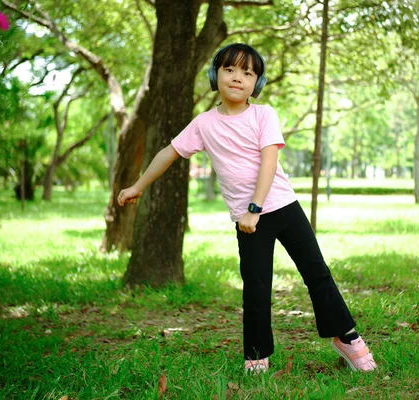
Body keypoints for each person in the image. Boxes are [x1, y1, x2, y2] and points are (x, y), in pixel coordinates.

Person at [118, 43, 377, 374]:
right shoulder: (204, 124)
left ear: (258, 82)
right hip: (248, 221)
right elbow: (169, 152)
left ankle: (347, 337)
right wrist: (138, 186)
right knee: (256, 287)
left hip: (282, 208)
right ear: (216, 76)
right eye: (229, 70)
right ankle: (257, 354)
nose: (237, 77)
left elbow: (269, 162)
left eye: (247, 72)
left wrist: (255, 206)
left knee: (317, 273)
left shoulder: (263, 114)